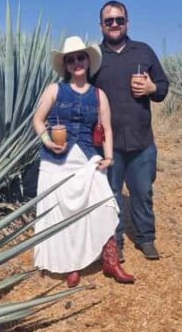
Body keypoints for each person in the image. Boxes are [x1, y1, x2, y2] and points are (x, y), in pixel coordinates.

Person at [32, 35, 135, 287]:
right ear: (66, 66)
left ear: (88, 61)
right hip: (57, 161)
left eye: (81, 57)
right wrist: (47, 141)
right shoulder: (54, 89)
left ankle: (111, 261)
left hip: (88, 158)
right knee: (64, 214)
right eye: (71, 60)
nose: (77, 62)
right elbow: (37, 119)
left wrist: (109, 157)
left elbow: (108, 130)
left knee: (104, 204)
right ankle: (72, 266)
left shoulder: (99, 95)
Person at [92, 0, 169, 262]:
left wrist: (151, 90)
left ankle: (146, 238)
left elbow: (163, 86)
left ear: (127, 22)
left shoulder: (143, 51)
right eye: (109, 21)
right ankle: (116, 243)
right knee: (110, 196)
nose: (114, 24)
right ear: (101, 25)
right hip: (107, 144)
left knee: (143, 193)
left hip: (141, 140)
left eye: (119, 20)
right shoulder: (94, 57)